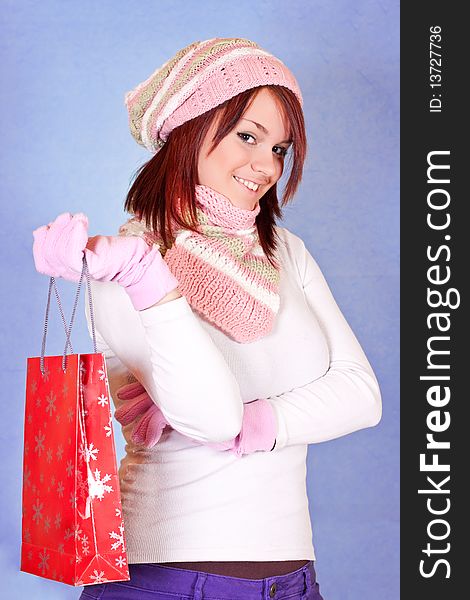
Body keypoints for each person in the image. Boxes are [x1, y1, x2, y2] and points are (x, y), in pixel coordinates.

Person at [33, 37, 382, 600]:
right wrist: (150, 279)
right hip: (169, 579)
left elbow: (363, 396)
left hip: (291, 583)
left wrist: (264, 422)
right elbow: (212, 419)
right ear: (189, 127)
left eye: (280, 149)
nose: (266, 166)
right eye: (248, 136)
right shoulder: (126, 261)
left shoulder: (286, 253)